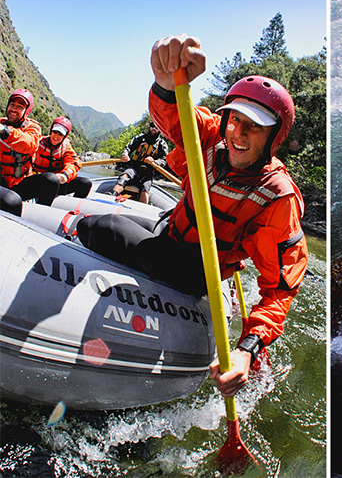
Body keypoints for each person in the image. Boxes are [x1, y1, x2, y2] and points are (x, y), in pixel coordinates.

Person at [76, 34, 309, 397]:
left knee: (99, 226)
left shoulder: (278, 198)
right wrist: (167, 86)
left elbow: (280, 290)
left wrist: (247, 350)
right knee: (109, 225)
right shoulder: (215, 134)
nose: (239, 133)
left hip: (198, 269)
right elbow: (173, 118)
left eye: (255, 126)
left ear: (274, 137)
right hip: (171, 231)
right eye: (236, 120)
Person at [17, 116, 92, 205]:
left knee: (85, 183)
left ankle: (70, 209)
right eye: (54, 132)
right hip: (39, 182)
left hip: (57, 182)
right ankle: (42, 209)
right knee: (51, 180)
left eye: (60, 134)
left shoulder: (66, 148)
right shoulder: (38, 143)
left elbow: (73, 163)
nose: (56, 136)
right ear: (51, 131)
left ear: (65, 136)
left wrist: (65, 175)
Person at [0, 89, 42, 216]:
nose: (13, 109)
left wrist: (5, 132)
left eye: (19, 107)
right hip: (2, 178)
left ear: (26, 111)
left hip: (21, 182)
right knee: (11, 201)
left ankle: (40, 216)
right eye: (12, 105)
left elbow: (29, 144)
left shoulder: (33, 127)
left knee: (50, 180)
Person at [113, 122, 168, 203]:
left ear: (160, 129)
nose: (154, 129)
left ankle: (142, 208)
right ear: (149, 127)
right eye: (152, 126)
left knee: (145, 189)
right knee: (125, 176)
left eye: (157, 127)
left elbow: (164, 160)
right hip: (134, 167)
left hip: (148, 171)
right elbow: (128, 147)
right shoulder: (140, 138)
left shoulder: (161, 144)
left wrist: (155, 161)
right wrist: (125, 155)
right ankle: (112, 195)